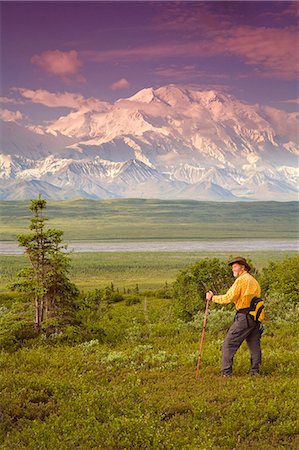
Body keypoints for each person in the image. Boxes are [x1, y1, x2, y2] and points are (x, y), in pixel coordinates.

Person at [206, 257, 262, 377]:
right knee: (254, 344)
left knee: (229, 344)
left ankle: (226, 373)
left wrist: (212, 298)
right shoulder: (253, 280)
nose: (233, 268)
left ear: (243, 268)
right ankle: (255, 371)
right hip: (255, 318)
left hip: (244, 317)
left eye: (235, 266)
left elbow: (229, 297)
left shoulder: (241, 280)